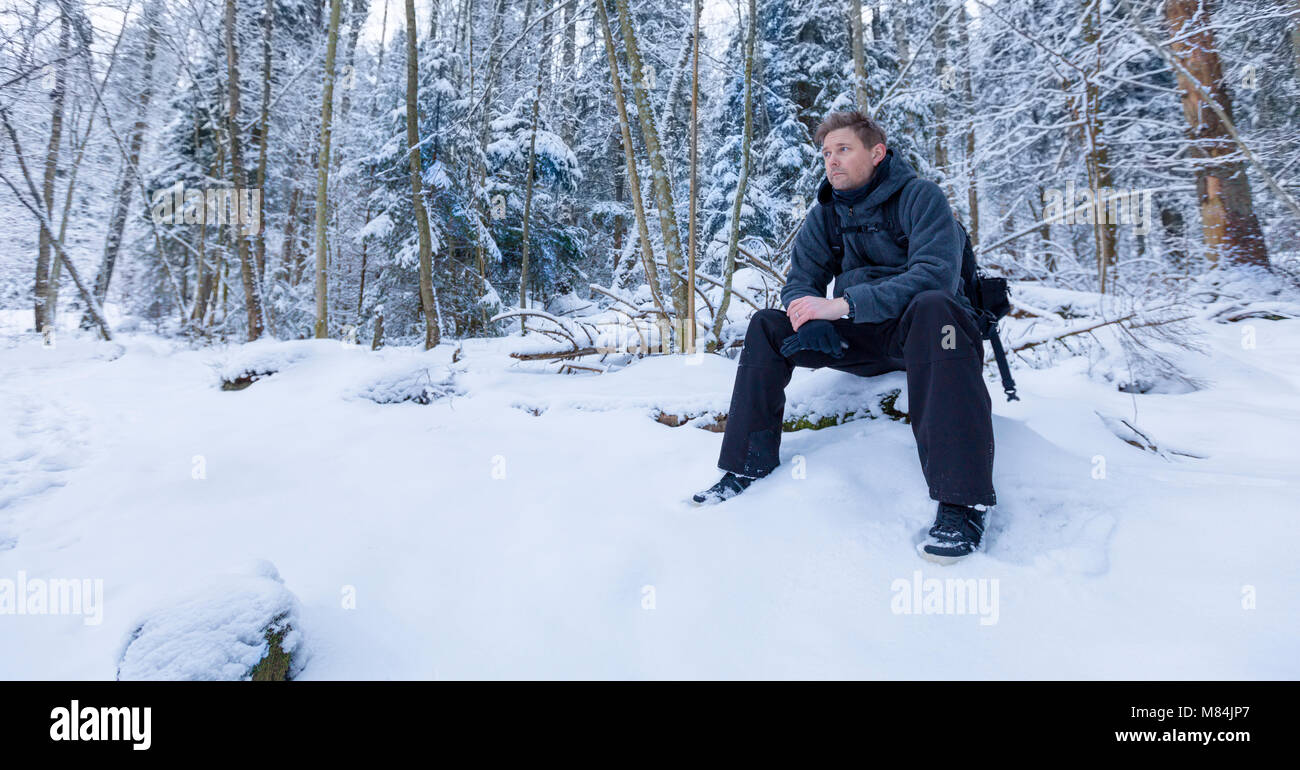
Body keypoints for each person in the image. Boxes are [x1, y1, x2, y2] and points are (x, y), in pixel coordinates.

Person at [690, 110, 997, 564]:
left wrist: (843, 305)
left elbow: (935, 276)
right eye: (826, 153)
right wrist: (810, 319)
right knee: (767, 326)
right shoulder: (828, 212)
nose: (831, 162)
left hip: (931, 339)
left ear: (877, 153)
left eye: (843, 150)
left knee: (936, 308)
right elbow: (801, 279)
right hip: (856, 337)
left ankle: (962, 503)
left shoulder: (920, 197)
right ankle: (744, 465)